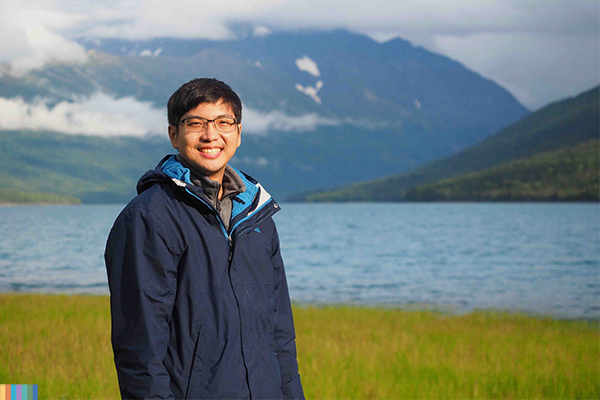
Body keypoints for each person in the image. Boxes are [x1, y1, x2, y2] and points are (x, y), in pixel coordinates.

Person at [104, 78, 304, 399]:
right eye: (195, 123)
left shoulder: (258, 216)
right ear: (174, 135)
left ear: (238, 134)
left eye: (224, 122)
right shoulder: (148, 217)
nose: (211, 135)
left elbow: (279, 334)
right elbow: (140, 346)